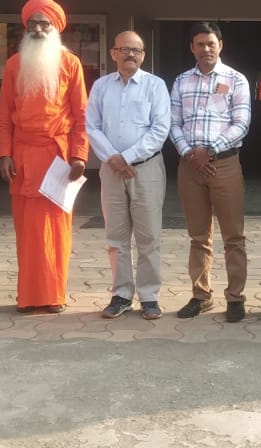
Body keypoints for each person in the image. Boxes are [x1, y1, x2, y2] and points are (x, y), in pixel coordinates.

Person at [0, 0, 90, 314]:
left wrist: (79, 155)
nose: (38, 29)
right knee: (27, 232)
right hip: (23, 158)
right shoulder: (13, 64)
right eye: (33, 23)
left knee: (56, 231)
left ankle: (54, 295)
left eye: (44, 23)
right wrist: (4, 154)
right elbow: (4, 115)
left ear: (56, 28)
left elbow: (82, 114)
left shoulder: (71, 64)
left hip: (57, 158)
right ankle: (28, 297)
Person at [169, 22, 251, 323]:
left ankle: (236, 297)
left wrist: (210, 150)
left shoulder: (236, 80)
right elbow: (173, 123)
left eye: (211, 44)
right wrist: (188, 152)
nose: (206, 49)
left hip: (224, 164)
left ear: (220, 45)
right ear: (192, 48)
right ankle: (201, 295)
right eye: (200, 44)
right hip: (190, 165)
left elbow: (241, 123)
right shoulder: (181, 81)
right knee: (198, 235)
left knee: (234, 236)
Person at [86, 31, 171, 320]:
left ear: (143, 55)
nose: (130, 54)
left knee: (149, 237)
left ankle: (149, 296)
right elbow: (92, 126)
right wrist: (113, 158)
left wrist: (127, 157)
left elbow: (160, 129)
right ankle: (121, 294)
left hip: (146, 169)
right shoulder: (101, 86)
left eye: (136, 50)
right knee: (116, 236)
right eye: (124, 49)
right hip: (111, 170)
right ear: (114, 53)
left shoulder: (155, 86)